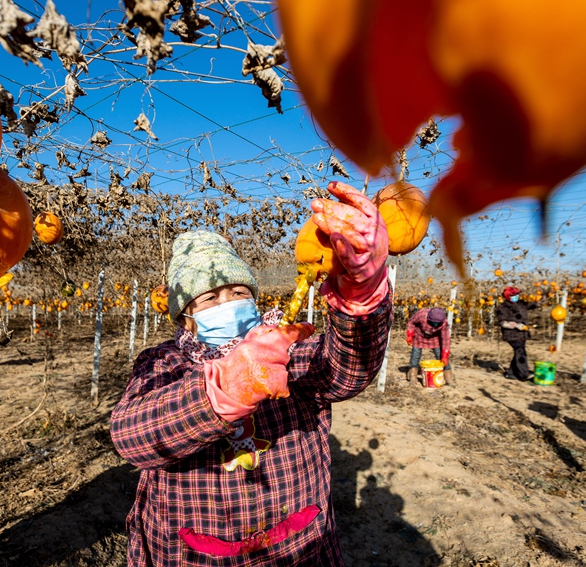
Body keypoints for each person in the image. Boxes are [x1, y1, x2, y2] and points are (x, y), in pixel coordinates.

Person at [110, 181, 393, 566]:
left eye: (239, 292)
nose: (227, 303)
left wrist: (360, 301)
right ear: (186, 318)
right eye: (210, 298)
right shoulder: (162, 363)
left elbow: (344, 373)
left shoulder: (285, 346)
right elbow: (132, 436)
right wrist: (222, 389)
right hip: (196, 552)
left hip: (297, 545)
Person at [495, 286, 538, 381]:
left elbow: (534, 304)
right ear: (508, 296)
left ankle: (511, 373)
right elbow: (502, 322)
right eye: (514, 295)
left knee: (519, 351)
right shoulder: (502, 307)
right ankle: (524, 374)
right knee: (520, 351)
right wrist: (515, 325)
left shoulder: (521, 303)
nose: (516, 296)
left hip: (522, 334)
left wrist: (546, 297)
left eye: (517, 294)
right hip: (511, 334)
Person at [405, 306, 452, 386]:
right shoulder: (421, 314)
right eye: (434, 322)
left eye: (438, 323)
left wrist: (445, 353)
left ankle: (448, 378)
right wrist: (410, 333)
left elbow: (445, 338)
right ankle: (413, 376)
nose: (436, 324)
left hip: (434, 337)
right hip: (419, 335)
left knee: (440, 355)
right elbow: (411, 322)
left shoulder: (444, 322)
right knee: (415, 355)